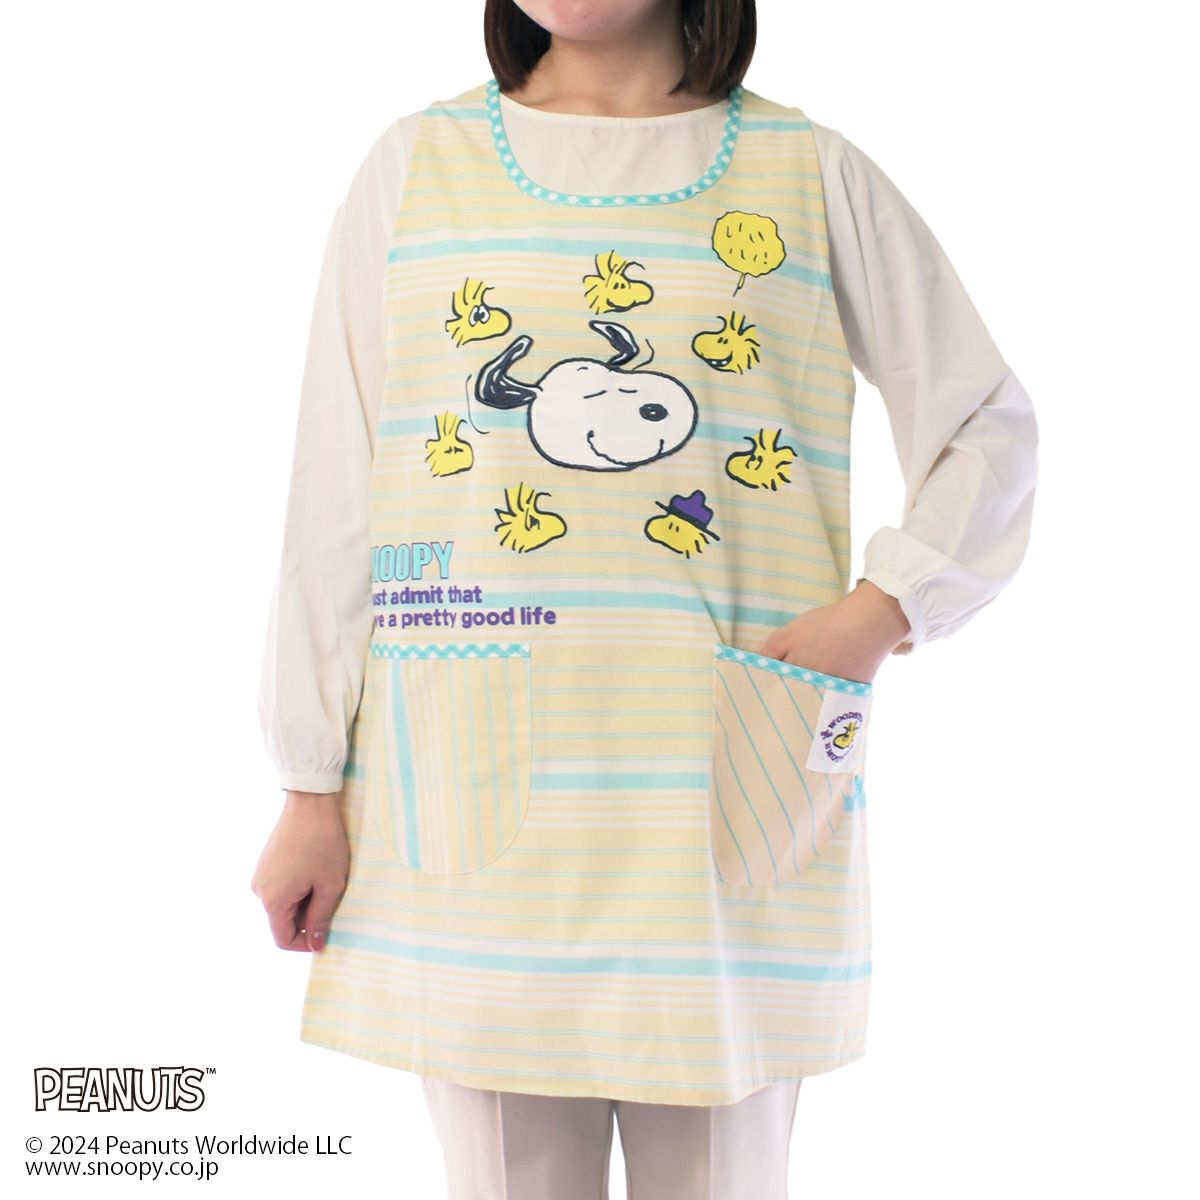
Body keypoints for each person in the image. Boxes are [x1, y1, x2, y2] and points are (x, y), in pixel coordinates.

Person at [251, 1, 1039, 1196]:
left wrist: (880, 610)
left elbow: (987, 425)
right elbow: (335, 491)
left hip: (723, 793)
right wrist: (309, 784)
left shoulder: (809, 173)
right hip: (470, 809)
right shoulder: (415, 168)